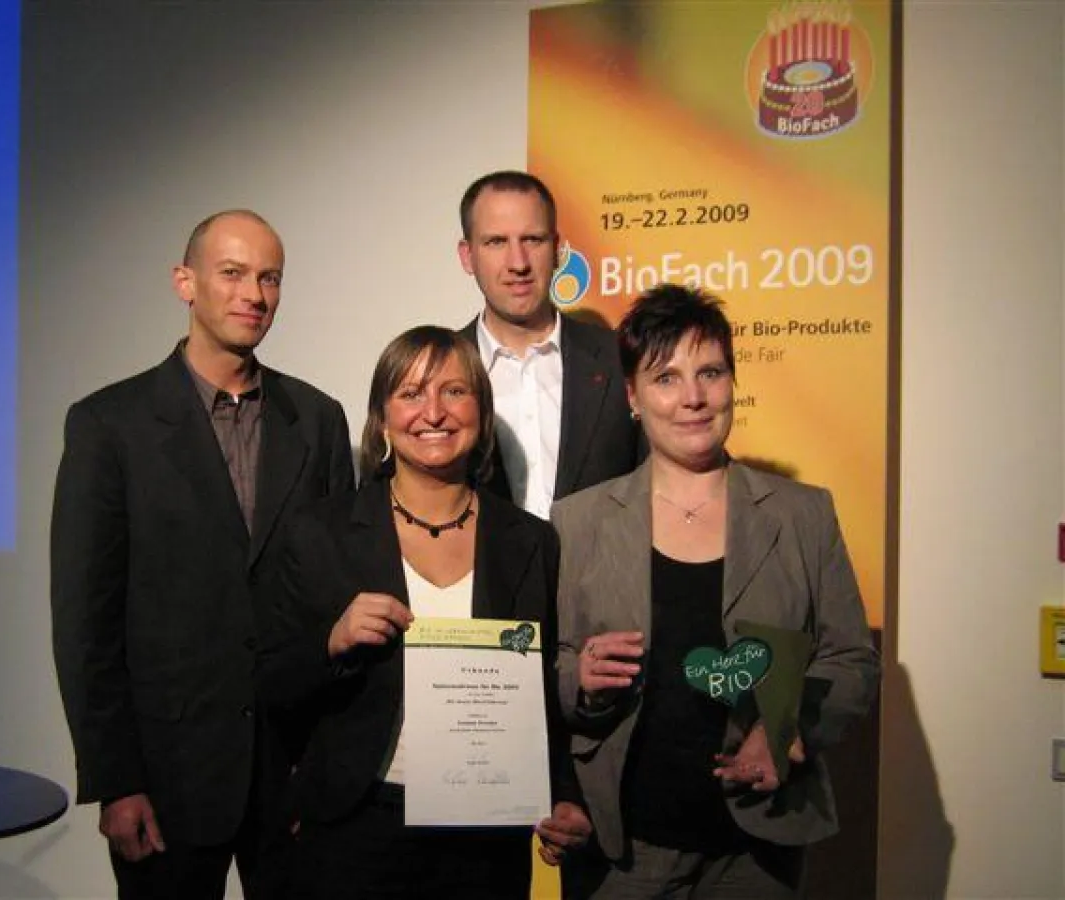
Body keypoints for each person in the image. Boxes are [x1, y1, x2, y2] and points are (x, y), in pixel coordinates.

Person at [50, 209, 355, 899]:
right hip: (166, 779)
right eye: (234, 273)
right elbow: (85, 623)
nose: (255, 293)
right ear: (185, 282)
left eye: (270, 277)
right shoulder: (109, 426)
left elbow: (334, 600)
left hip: (294, 779)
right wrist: (115, 781)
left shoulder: (318, 419)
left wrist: (333, 767)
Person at [550, 283, 880, 898]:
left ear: (733, 380)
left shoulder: (803, 514)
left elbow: (852, 659)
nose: (694, 398)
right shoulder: (579, 521)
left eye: (711, 372)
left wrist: (785, 727)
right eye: (666, 378)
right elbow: (553, 671)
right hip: (621, 848)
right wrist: (581, 678)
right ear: (632, 396)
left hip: (756, 851)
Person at [258, 326, 592, 900]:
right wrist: (332, 642)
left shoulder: (531, 541)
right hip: (355, 827)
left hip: (488, 831)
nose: (433, 412)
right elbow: (270, 679)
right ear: (382, 419)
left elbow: (542, 689)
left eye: (454, 392)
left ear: (482, 415)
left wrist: (564, 793)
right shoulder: (321, 533)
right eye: (410, 394)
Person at [457, 170, 641, 518]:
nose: (518, 263)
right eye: (496, 242)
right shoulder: (434, 371)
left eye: (533, 240)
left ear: (557, 249)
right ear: (467, 256)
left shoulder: (621, 360)